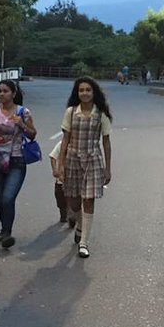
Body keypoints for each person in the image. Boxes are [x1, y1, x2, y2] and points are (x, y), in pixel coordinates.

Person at [56, 76, 113, 259]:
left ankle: (84, 242)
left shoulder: (101, 114)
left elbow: (106, 142)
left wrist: (108, 168)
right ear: (77, 93)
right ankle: (80, 224)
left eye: (88, 90)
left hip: (93, 160)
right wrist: (60, 164)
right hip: (72, 159)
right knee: (73, 200)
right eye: (81, 90)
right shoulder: (71, 112)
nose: (85, 93)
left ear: (93, 92)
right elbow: (65, 140)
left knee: (89, 199)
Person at [0, 79, 37, 250]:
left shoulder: (23, 112)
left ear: (13, 93)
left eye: (5, 91)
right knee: (0, 198)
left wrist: (21, 124)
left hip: (16, 160)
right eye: (0, 91)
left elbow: (33, 134)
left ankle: (7, 231)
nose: (2, 94)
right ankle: (4, 230)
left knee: (8, 197)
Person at [48, 139, 76, 226]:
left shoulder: (79, 145)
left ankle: (71, 214)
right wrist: (55, 170)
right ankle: (63, 213)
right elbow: (53, 157)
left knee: (72, 197)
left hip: (75, 176)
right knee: (60, 197)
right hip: (61, 177)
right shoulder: (61, 144)